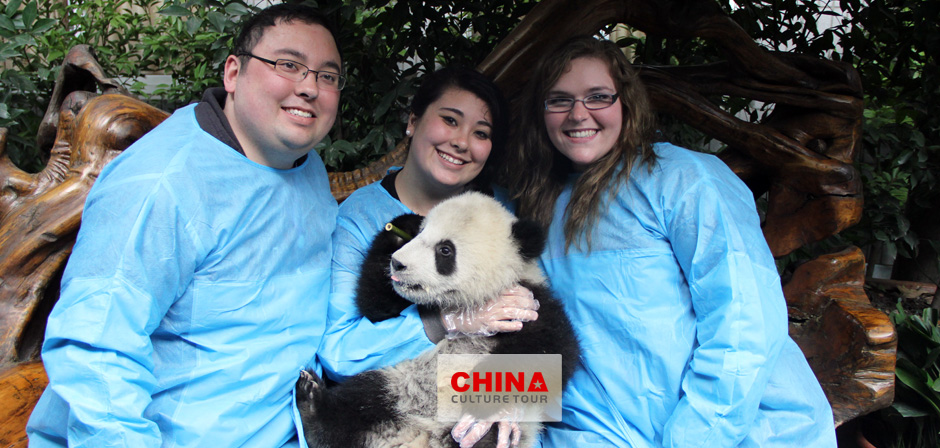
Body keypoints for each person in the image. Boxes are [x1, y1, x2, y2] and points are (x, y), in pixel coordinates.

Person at [26, 4, 342, 447]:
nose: (310, 87)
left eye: (327, 76)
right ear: (233, 73)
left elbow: (349, 335)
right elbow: (93, 354)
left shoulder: (305, 169)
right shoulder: (163, 183)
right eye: (289, 65)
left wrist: (475, 391)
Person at [503, 35, 838, 447]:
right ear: (541, 112)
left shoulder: (685, 179)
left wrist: (693, 440)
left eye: (598, 96)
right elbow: (543, 335)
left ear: (625, 101)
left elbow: (744, 321)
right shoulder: (531, 204)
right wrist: (483, 405)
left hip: (736, 432)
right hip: (599, 433)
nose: (578, 114)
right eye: (559, 100)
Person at [316, 66, 538, 446]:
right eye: (450, 120)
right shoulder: (361, 215)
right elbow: (337, 354)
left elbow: (541, 341)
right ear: (413, 121)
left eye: (481, 133)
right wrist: (446, 322)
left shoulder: (498, 213)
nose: (462, 141)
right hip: (385, 412)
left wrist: (507, 394)